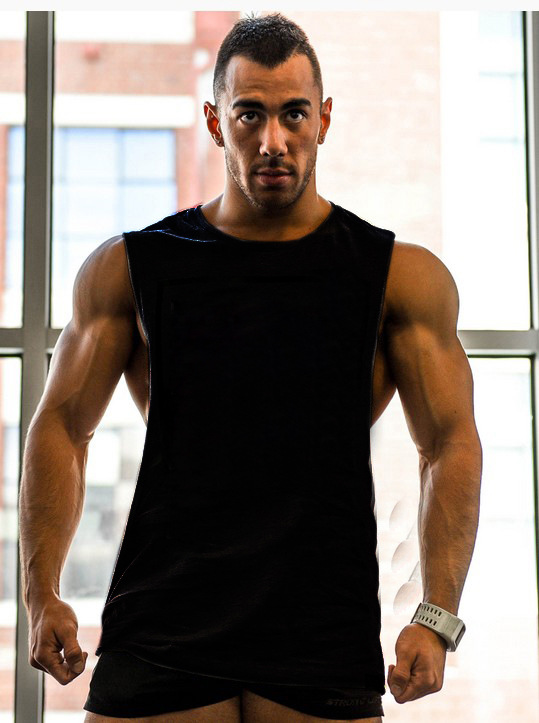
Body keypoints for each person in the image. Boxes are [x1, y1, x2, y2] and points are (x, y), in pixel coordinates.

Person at [19, 12, 482, 723]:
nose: (273, 141)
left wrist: (437, 616)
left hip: (322, 624)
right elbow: (61, 424)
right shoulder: (132, 267)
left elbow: (448, 443)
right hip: (163, 619)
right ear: (215, 122)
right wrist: (40, 590)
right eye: (249, 115)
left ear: (323, 119)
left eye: (293, 114)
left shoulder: (398, 277)